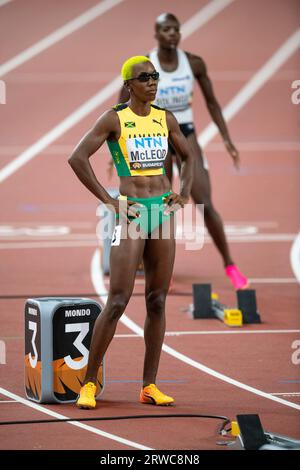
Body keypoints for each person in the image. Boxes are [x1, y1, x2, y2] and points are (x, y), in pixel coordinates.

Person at [68, 56, 193, 409]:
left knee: (157, 300)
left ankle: (149, 385)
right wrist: (109, 200)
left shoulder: (164, 118)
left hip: (162, 213)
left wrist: (183, 192)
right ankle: (88, 383)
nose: (153, 82)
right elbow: (77, 157)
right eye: (145, 77)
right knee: (118, 300)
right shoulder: (114, 118)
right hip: (131, 215)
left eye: (155, 76)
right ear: (129, 85)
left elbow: (189, 156)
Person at [117, 13, 249, 290]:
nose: (172, 34)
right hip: (157, 137)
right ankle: (155, 266)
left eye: (176, 29)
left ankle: (230, 264)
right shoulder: (144, 66)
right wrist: (116, 149)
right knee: (160, 205)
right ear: (156, 33)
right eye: (166, 29)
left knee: (205, 202)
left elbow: (212, 103)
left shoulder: (194, 64)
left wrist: (227, 139)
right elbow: (122, 103)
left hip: (185, 134)